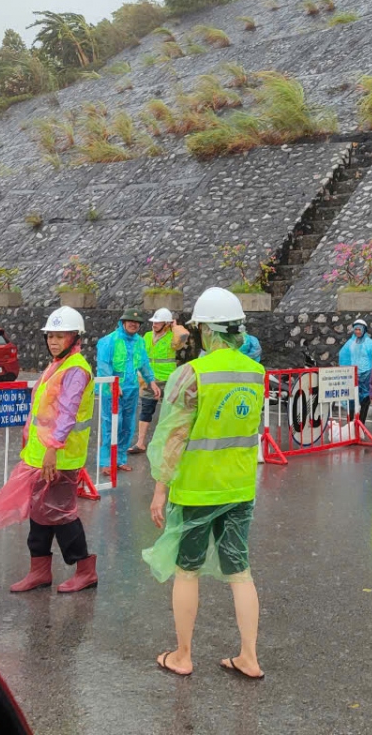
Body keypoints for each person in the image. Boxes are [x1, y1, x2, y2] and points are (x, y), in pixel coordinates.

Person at [143, 287, 267, 680]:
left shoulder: (192, 374)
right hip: (240, 487)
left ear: (207, 331)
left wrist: (160, 489)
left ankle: (183, 655)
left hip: (197, 489)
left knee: (187, 571)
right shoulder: (256, 372)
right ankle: (249, 656)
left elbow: (172, 437)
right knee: (240, 571)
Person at [0, 307, 99, 594]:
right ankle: (39, 571)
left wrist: (52, 449)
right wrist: (30, 440)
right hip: (42, 456)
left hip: (60, 457)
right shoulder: (56, 365)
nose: (53, 341)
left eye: (59, 336)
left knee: (61, 516)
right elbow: (41, 410)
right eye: (50, 336)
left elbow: (67, 414)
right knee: (40, 514)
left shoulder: (76, 369)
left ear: (74, 338)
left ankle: (85, 570)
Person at [96, 308, 159, 473]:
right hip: (112, 391)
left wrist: (151, 381)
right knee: (111, 425)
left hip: (131, 389)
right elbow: (103, 365)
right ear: (122, 322)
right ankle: (106, 462)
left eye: (137, 323)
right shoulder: (109, 340)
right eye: (130, 321)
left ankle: (120, 459)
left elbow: (144, 363)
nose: (134, 325)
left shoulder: (139, 341)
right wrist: (112, 384)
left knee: (127, 425)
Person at [137, 307, 189, 452]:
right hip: (149, 379)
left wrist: (175, 326)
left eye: (158, 322)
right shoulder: (147, 336)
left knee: (170, 411)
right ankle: (140, 442)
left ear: (166, 324)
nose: (154, 324)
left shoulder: (173, 337)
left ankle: (169, 443)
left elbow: (185, 334)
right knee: (146, 410)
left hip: (168, 380)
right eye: (154, 322)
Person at [339, 318, 372, 422]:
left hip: (366, 377)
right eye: (356, 329)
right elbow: (343, 357)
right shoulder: (350, 343)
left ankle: (361, 426)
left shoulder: (371, 344)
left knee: (365, 401)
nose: (357, 332)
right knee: (351, 401)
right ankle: (351, 426)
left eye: (359, 329)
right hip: (352, 377)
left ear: (364, 330)